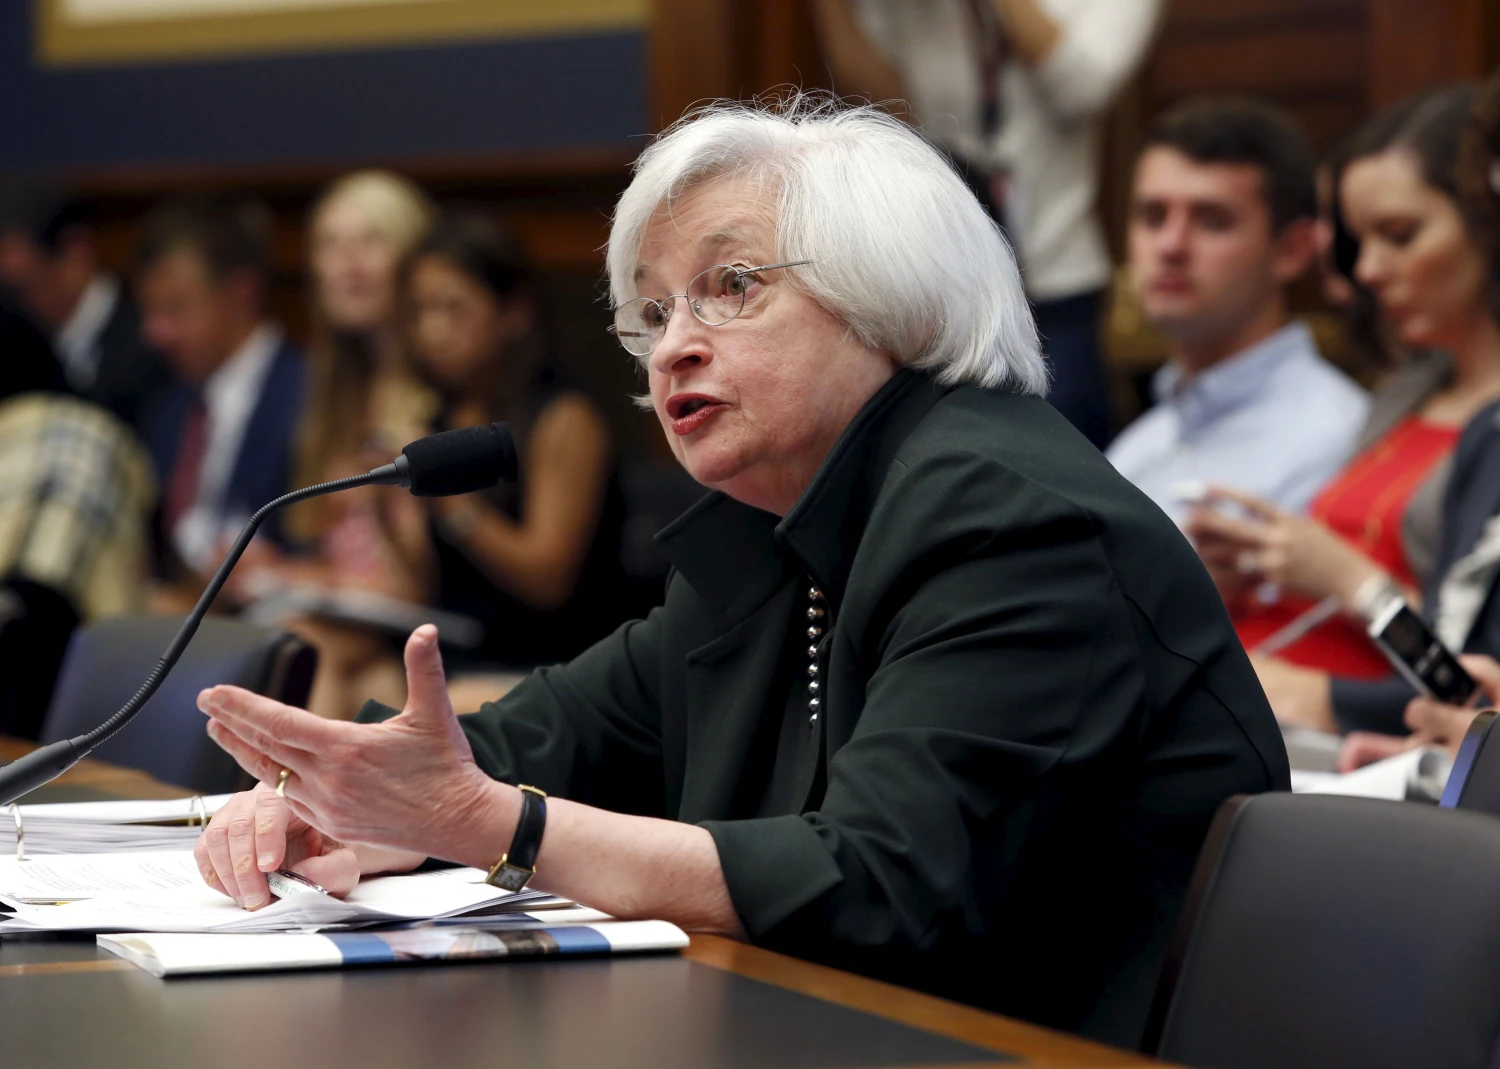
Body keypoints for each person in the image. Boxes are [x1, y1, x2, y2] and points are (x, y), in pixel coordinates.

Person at [192, 98, 1287, 1049]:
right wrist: (356, 799)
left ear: (892, 296)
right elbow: (560, 730)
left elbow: (878, 881)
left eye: (731, 285)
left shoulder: (1007, 511)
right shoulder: (782, 521)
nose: (673, 344)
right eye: (657, 310)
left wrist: (497, 826)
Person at [1186, 86, 1500, 734]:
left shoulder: (1489, 430)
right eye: (1360, 244)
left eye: (1401, 235)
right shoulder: (1404, 393)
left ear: (1483, 225)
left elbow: (1466, 656)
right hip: (1272, 686)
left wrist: (1344, 577)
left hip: (1349, 720)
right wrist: (1250, 570)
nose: (1372, 271)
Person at [812, 0, 1163, 447]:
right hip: (933, 279)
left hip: (1054, 278)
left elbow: (1084, 87)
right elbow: (886, 113)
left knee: (1060, 461)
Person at [1105, 99, 1369, 529]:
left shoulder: (1336, 440)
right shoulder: (1136, 447)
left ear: (1292, 249)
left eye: (1213, 221)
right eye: (1153, 217)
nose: (1170, 246)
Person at [231, 171, 437, 720]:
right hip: (363, 638)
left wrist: (301, 578)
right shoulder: (325, 397)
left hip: (424, 623)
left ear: (414, 258)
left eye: (370, 242)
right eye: (329, 245)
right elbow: (324, 545)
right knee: (366, 677)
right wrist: (282, 569)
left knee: (303, 649)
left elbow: (418, 578)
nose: (347, 263)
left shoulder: (441, 393)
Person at [402, 211, 629, 673]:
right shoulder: (440, 417)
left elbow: (548, 580)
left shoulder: (564, 418)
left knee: (392, 707)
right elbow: (422, 584)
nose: (432, 332)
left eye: (453, 308)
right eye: (419, 311)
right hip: (457, 648)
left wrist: (453, 506)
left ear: (514, 313)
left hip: (552, 661)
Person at [134, 196, 306, 586]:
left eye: (175, 308)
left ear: (240, 294)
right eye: (149, 311)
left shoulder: (308, 398)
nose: (154, 333)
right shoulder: (168, 408)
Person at [0, 179, 175, 433]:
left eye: (23, 286)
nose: (14, 306)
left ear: (76, 254)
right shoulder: (17, 353)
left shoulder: (156, 342)